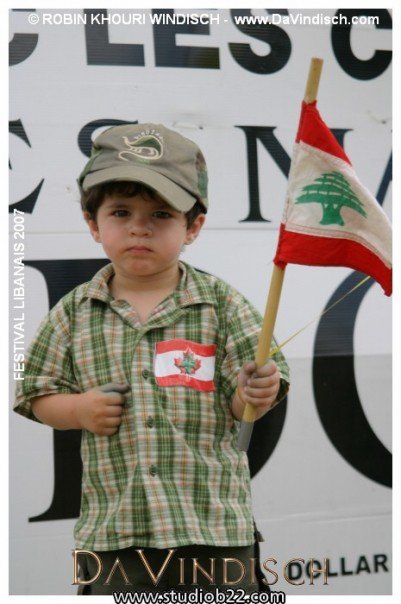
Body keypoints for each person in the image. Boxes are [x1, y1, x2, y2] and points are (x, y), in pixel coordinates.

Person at [14, 123, 289, 595]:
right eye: (122, 212)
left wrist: (255, 394)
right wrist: (78, 409)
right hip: (116, 537)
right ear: (93, 223)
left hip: (214, 532)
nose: (139, 226)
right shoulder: (74, 311)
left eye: (161, 214)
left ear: (193, 227)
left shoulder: (222, 304)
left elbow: (245, 405)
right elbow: (35, 393)